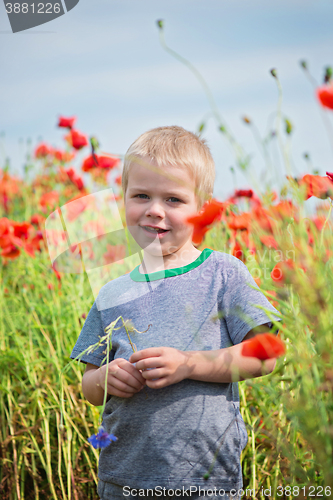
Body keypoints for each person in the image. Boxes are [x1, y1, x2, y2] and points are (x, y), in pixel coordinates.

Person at [70, 126, 281, 500]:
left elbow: (265, 354)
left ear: (201, 207)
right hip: (124, 480)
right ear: (123, 201)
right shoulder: (111, 293)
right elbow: (88, 385)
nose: (154, 210)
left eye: (173, 199)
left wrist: (188, 364)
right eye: (141, 196)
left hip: (205, 478)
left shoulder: (223, 273)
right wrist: (108, 378)